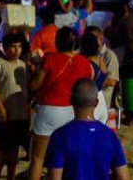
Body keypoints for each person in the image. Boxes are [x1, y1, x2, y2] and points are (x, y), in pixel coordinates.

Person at [28, 27, 94, 180]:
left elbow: (35, 85)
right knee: (66, 158)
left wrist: (31, 72)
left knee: (38, 158)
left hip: (49, 109)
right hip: (72, 111)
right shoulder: (84, 62)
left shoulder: (50, 60)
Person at [44, 79, 129, 180]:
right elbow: (123, 176)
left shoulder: (60, 136)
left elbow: (54, 176)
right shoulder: (110, 136)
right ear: (96, 103)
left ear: (71, 101)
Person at [0, 33, 30, 180]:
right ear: (5, 48)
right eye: (13, 47)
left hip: (21, 113)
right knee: (3, 148)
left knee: (15, 149)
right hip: (5, 114)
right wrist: (1, 109)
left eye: (19, 46)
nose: (16, 50)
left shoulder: (22, 65)